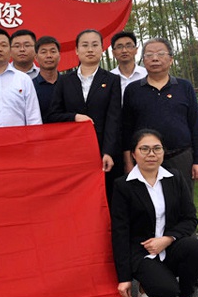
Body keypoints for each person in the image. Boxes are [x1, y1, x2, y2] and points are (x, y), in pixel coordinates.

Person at [121, 37, 198, 288]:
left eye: (160, 53)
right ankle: (149, 266)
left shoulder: (184, 87)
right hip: (145, 161)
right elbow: (127, 129)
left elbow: (196, 125)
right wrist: (128, 161)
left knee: (184, 209)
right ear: (143, 60)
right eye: (149, 54)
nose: (155, 58)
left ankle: (188, 267)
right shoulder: (133, 90)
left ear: (171, 58)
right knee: (146, 210)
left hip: (180, 156)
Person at [111, 129, 198, 297]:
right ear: (133, 154)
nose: (151, 154)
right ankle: (145, 285)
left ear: (163, 152)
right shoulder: (123, 186)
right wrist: (124, 278)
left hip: (169, 246)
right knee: (166, 292)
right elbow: (120, 232)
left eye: (157, 148)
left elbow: (190, 218)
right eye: (144, 149)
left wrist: (168, 239)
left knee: (196, 249)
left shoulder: (175, 178)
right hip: (141, 252)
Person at [47, 29, 122, 202]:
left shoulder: (112, 80)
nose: (90, 49)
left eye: (95, 45)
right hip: (73, 152)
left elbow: (114, 118)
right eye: (85, 45)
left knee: (104, 196)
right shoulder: (64, 81)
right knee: (76, 198)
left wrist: (108, 152)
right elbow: (52, 115)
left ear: (102, 49)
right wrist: (74, 117)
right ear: (76, 50)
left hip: (102, 151)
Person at [110, 31, 147, 100]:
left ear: (136, 50)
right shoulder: (109, 79)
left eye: (128, 46)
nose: (124, 50)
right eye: (119, 47)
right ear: (113, 52)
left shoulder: (147, 75)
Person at [32, 36, 61, 123]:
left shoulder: (69, 84)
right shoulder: (31, 86)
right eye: (43, 52)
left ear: (59, 56)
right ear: (36, 58)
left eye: (53, 51)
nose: (49, 56)